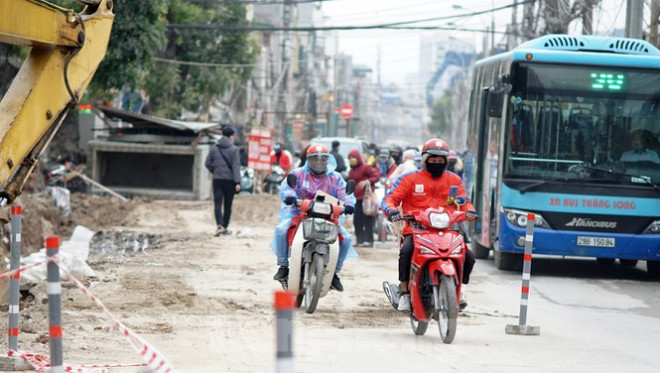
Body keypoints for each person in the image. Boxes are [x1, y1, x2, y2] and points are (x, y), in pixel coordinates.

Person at [382, 138, 477, 312]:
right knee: (406, 252)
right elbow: (390, 198)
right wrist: (392, 210)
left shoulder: (454, 180)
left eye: (440, 160)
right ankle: (404, 292)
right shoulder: (409, 179)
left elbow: (464, 202)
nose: (436, 163)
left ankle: (459, 290)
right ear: (425, 160)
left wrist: (469, 211)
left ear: (446, 161)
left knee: (468, 256)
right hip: (416, 230)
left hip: (446, 231)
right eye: (432, 160)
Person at [271, 144, 357, 291]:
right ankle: (283, 265)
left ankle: (335, 273)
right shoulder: (298, 174)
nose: (318, 162)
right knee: (281, 230)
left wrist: (348, 205)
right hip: (299, 213)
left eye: (322, 159)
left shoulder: (335, 178)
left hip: (328, 217)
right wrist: (290, 197)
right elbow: (287, 189)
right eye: (314, 159)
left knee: (347, 239)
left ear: (327, 160)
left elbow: (345, 195)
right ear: (308, 159)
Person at [205, 126, 242, 236]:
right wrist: (237, 182)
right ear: (231, 136)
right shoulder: (234, 149)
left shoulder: (214, 148)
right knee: (227, 204)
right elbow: (236, 166)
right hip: (230, 181)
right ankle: (225, 227)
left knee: (217, 203)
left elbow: (207, 163)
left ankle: (219, 226)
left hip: (217, 179)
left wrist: (215, 171)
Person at [348, 149, 380, 248]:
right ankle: (360, 240)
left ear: (358, 158)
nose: (351, 160)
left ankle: (369, 241)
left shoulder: (366, 168)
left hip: (366, 198)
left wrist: (367, 181)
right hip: (356, 198)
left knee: (368, 219)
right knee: (357, 220)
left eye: (353, 158)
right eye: (349, 158)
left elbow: (376, 176)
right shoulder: (351, 171)